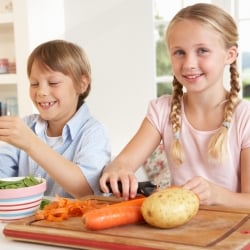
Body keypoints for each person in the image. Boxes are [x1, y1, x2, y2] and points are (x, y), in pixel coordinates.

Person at [99, 3, 250, 209]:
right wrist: (118, 171)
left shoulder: (245, 118)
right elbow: (122, 163)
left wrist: (217, 195)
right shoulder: (162, 110)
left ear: (230, 55)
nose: (189, 63)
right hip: (178, 230)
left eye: (202, 51)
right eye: (179, 52)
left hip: (233, 235)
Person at [0, 39, 111, 198]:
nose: (41, 92)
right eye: (34, 84)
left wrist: (31, 144)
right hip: (24, 222)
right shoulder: (26, 126)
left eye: (53, 83)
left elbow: (86, 189)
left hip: (72, 221)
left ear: (82, 84)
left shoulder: (94, 132)